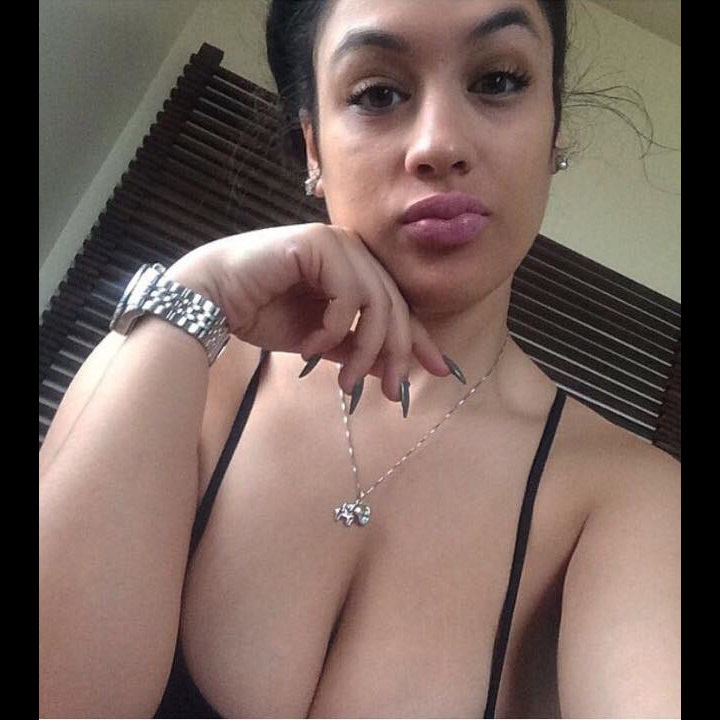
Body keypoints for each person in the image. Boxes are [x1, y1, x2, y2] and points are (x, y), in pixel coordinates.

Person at [39, 0, 680, 717]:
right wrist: (194, 295)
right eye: (378, 94)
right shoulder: (170, 368)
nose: (439, 143)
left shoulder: (631, 498)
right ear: (313, 147)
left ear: (554, 126)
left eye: (498, 81)